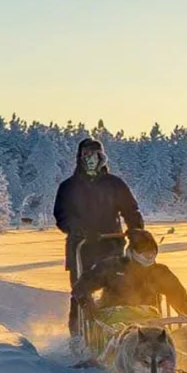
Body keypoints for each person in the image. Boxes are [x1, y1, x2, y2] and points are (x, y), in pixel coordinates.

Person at [54, 137, 144, 352]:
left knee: (116, 287)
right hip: (82, 246)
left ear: (102, 157)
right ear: (80, 158)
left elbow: (131, 210)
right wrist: (78, 229)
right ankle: (78, 336)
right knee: (81, 291)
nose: (91, 159)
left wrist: (136, 231)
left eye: (95, 155)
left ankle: (114, 331)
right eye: (86, 155)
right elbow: (61, 215)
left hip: (111, 244)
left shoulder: (115, 184)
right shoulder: (69, 186)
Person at [72, 228, 187, 322]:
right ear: (132, 251)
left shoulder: (160, 272)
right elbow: (81, 286)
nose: (148, 255)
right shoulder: (112, 266)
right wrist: (86, 303)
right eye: (144, 251)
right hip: (113, 320)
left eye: (151, 251)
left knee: (156, 338)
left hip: (149, 321)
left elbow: (181, 299)